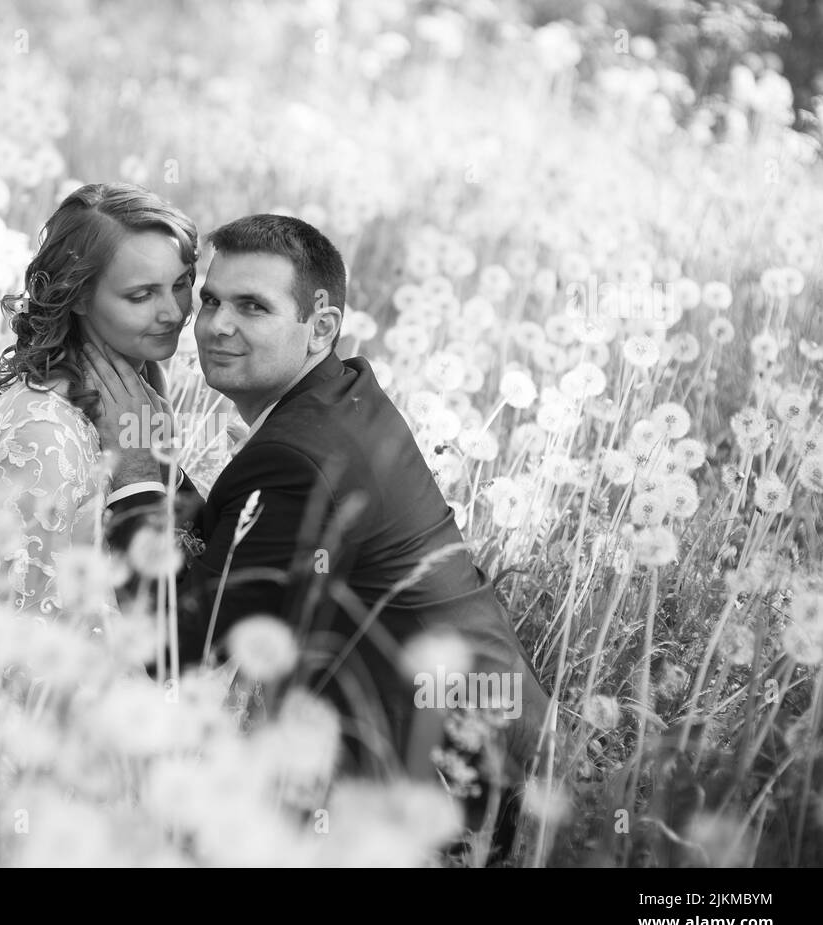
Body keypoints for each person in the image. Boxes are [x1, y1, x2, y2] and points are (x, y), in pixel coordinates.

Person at [83, 213, 551, 802]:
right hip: (493, 727)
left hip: (451, 778)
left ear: (321, 326)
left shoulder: (298, 458)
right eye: (210, 301)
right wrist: (156, 456)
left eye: (253, 307)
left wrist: (132, 481)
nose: (216, 326)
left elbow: (173, 646)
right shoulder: (342, 397)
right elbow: (236, 549)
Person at [0, 183, 197, 621]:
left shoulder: (138, 387)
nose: (175, 312)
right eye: (142, 295)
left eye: (181, 284)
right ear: (81, 295)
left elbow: (172, 536)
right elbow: (32, 625)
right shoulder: (48, 433)